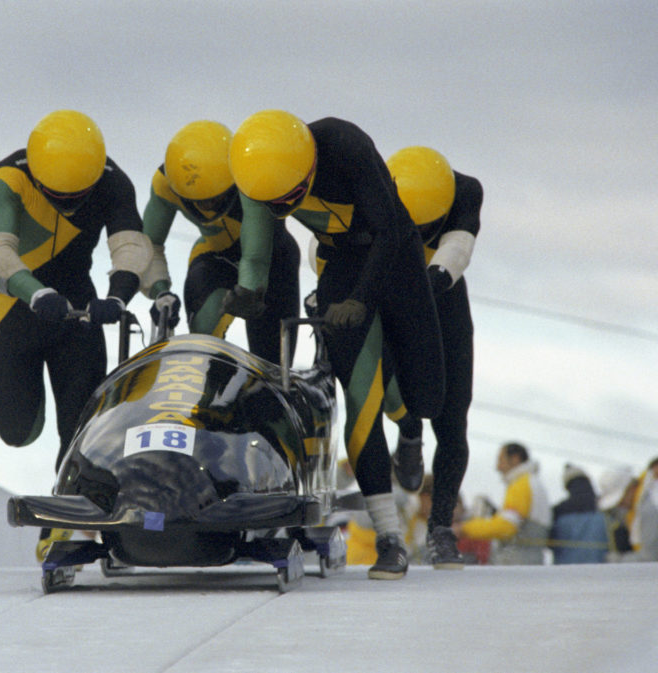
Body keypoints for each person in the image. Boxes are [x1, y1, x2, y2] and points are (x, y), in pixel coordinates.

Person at [226, 110, 446, 580]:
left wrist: (361, 299)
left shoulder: (345, 146)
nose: (282, 205)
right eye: (273, 200)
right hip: (341, 261)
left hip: (395, 253)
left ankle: (410, 429)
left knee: (427, 393)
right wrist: (250, 289)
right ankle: (390, 536)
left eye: (291, 196)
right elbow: (257, 243)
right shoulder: (254, 172)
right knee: (360, 394)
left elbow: (387, 229)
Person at [0, 110, 155, 560]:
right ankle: (53, 474)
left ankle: (64, 519)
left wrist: (117, 298)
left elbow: (132, 246)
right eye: (59, 196)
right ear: (38, 179)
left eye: (80, 196)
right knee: (15, 429)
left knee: (79, 426)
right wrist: (34, 293)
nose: (70, 203)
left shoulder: (115, 182)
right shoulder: (7, 177)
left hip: (79, 310)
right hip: (18, 308)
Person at [309, 146, 481, 569]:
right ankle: (405, 431)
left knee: (452, 413)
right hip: (380, 284)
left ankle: (441, 527)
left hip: (439, 295)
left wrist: (423, 285)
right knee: (370, 390)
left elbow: (456, 249)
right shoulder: (371, 186)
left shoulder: (466, 192)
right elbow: (326, 246)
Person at [140, 120, 299, 362]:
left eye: (215, 198)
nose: (206, 206)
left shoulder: (250, 174)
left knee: (271, 363)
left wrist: (247, 291)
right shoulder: (164, 183)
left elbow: (255, 257)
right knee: (203, 338)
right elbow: (148, 245)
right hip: (214, 256)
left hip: (273, 261)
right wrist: (161, 292)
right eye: (196, 201)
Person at [454, 442, 551, 565]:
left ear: (515, 458)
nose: (497, 467)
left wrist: (464, 528)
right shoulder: (532, 482)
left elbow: (507, 526)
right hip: (529, 562)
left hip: (518, 564)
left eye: (501, 460)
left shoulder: (521, 484)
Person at [548, 464, 608, 564]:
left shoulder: (557, 514)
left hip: (566, 572)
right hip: (600, 571)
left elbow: (548, 541)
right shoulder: (606, 509)